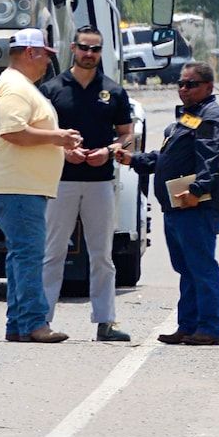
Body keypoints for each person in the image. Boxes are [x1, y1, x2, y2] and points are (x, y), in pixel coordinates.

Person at [117, 61, 219, 346]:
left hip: (197, 205)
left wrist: (196, 190)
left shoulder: (211, 118)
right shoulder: (189, 117)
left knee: (201, 267)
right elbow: (167, 157)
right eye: (181, 84)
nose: (183, 89)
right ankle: (189, 325)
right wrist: (135, 160)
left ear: (208, 87)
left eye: (190, 84)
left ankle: (209, 327)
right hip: (178, 206)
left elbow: (213, 160)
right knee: (187, 268)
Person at [0, 28, 84, 344]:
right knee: (28, 254)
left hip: (20, 184)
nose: (48, 63)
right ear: (31, 53)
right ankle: (33, 323)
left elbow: (24, 133)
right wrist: (58, 138)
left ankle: (19, 324)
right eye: (46, 55)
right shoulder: (15, 88)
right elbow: (13, 132)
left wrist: (61, 148)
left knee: (21, 254)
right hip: (18, 185)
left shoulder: (20, 86)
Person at [39, 26, 135, 342]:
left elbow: (127, 134)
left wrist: (108, 151)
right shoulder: (52, 89)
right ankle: (41, 319)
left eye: (95, 49)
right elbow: (38, 135)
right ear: (73, 48)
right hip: (61, 181)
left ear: (101, 52)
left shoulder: (113, 91)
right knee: (53, 253)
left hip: (99, 182)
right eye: (84, 48)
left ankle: (105, 322)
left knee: (102, 255)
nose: (89, 54)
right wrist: (65, 151)